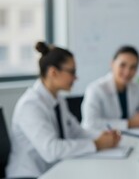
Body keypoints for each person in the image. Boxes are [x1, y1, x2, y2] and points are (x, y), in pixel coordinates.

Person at [6, 42, 120, 178]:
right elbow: (52, 151)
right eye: (72, 72)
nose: (76, 78)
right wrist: (96, 144)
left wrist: (102, 136)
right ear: (53, 72)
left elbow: (77, 132)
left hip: (54, 170)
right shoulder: (30, 105)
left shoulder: (58, 100)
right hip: (29, 176)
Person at [81, 46, 139, 131]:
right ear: (112, 64)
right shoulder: (95, 89)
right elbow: (90, 123)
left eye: (133, 67)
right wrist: (130, 123)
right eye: (122, 65)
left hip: (130, 137)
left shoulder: (135, 88)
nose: (127, 72)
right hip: (102, 139)